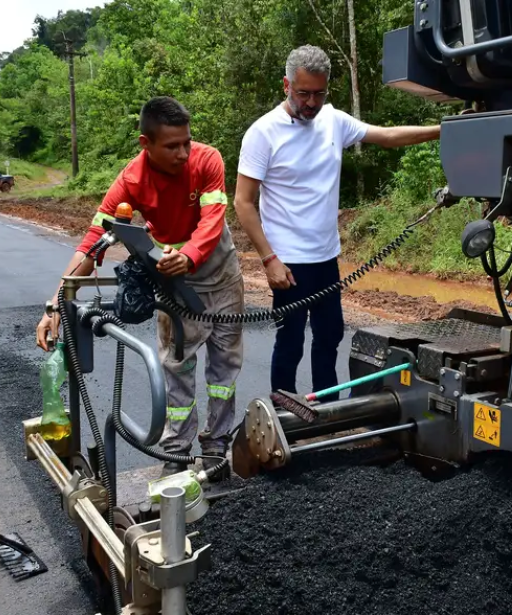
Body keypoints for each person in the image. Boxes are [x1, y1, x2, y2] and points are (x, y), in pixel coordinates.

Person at [35, 96, 244, 481]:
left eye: (187, 142)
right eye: (172, 146)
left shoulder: (207, 159)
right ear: (145, 143)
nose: (184, 153)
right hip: (173, 281)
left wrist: (191, 254)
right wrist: (54, 305)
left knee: (226, 368)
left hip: (222, 276)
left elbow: (214, 219)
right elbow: (93, 242)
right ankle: (177, 453)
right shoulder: (131, 181)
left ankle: (216, 447)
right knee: (176, 367)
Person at [234, 45, 440, 402]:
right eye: (303, 93)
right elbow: (243, 202)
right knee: (290, 340)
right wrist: (269, 259)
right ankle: (283, 411)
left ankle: (327, 409)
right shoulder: (263, 133)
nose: (311, 102)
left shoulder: (334, 120)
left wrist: (443, 130)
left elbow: (387, 137)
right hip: (287, 263)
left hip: (326, 258)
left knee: (329, 335)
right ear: (286, 85)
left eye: (319, 93)